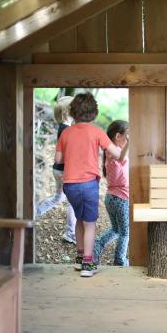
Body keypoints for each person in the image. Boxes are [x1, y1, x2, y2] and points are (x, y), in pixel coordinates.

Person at [54, 93, 128, 277]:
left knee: (80, 220)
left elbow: (57, 159)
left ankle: (79, 261)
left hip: (70, 185)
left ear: (73, 111)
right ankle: (88, 265)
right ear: (94, 113)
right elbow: (118, 156)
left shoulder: (66, 133)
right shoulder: (97, 132)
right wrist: (128, 145)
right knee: (90, 224)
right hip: (88, 184)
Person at [36, 96, 77, 244]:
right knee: (73, 202)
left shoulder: (63, 128)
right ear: (67, 112)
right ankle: (70, 232)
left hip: (58, 170)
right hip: (65, 171)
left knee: (58, 197)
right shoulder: (67, 130)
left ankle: (34, 212)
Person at [94, 120, 130, 266]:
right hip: (120, 199)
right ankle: (120, 260)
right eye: (127, 135)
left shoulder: (114, 150)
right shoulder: (111, 150)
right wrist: (128, 143)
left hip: (114, 198)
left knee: (116, 230)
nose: (128, 138)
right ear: (117, 136)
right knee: (125, 232)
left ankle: (97, 245)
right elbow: (121, 156)